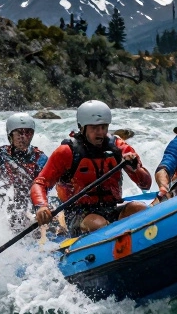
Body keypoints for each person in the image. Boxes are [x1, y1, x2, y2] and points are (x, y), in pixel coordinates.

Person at [31, 100, 152, 236]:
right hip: (79, 214)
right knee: (97, 224)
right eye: (94, 128)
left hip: (111, 208)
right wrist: (42, 206)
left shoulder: (119, 147)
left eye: (104, 127)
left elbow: (146, 185)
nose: (100, 132)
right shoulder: (66, 152)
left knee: (140, 209)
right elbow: (40, 183)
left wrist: (134, 168)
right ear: (82, 128)